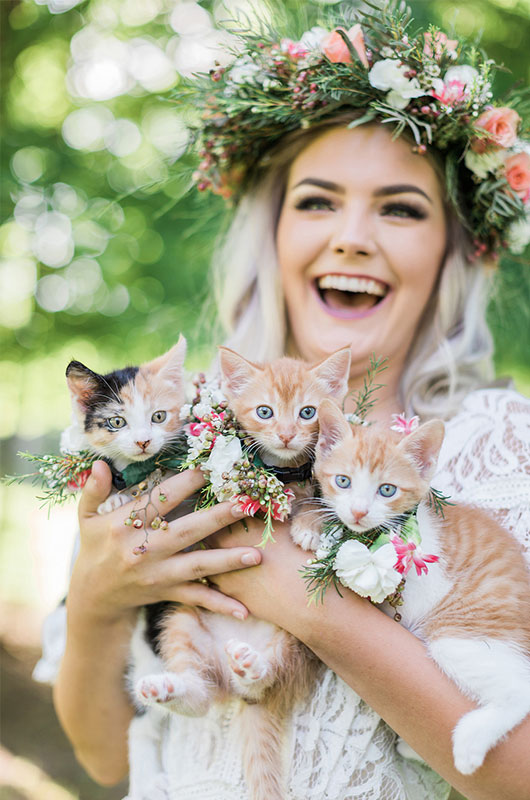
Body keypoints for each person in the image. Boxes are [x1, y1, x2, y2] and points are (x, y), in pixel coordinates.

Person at [39, 4, 530, 800]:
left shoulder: (508, 451)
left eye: (401, 208)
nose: (352, 237)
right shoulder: (183, 430)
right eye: (316, 201)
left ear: (455, 248)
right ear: (271, 234)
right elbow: (104, 757)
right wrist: (97, 601)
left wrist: (316, 608)